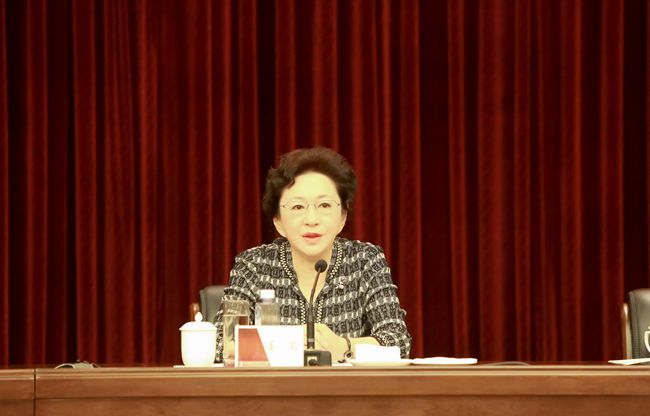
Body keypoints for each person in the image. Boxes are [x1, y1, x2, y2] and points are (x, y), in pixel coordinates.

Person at [214, 147, 411, 362]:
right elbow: (220, 343)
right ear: (278, 221)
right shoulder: (254, 265)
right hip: (275, 384)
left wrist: (343, 346)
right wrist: (289, 343)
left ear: (343, 216)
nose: (311, 219)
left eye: (324, 205)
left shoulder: (365, 261)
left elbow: (398, 342)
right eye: (298, 207)